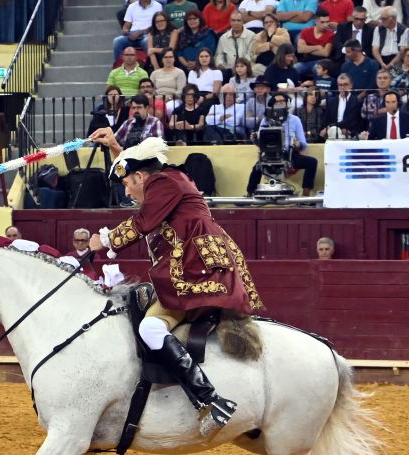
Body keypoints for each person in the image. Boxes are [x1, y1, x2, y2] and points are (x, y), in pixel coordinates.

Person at [87, 130, 261, 430]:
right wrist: (116, 148)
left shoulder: (164, 183)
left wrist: (105, 241)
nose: (127, 193)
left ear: (141, 177)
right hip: (200, 264)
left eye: (128, 184)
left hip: (196, 269)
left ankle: (208, 400)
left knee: (151, 327)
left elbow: (143, 223)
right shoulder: (163, 180)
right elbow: (133, 174)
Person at [246, 92, 318, 196]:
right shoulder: (266, 120)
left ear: (287, 103)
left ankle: (306, 193)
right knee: (257, 168)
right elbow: (261, 140)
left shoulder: (295, 120)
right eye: (276, 101)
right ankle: (249, 194)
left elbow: (304, 143)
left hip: (289, 154)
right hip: (270, 154)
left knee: (312, 162)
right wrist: (254, 139)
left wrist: (298, 144)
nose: (279, 103)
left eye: (282, 101)